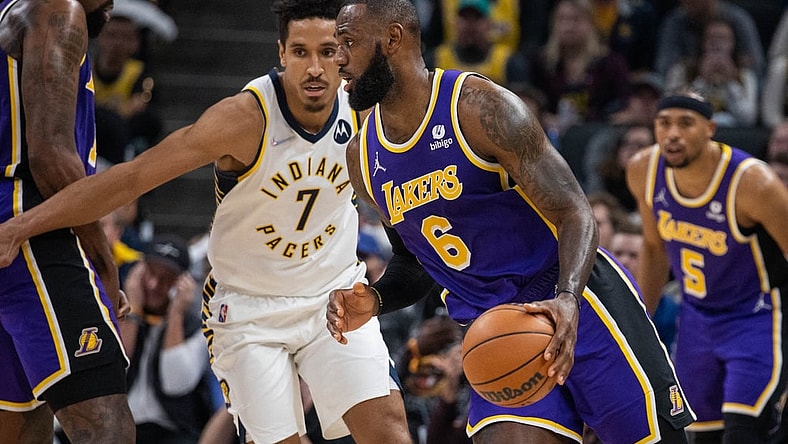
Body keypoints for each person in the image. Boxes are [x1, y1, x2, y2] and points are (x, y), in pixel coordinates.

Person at [0, 1, 416, 443]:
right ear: (280, 52)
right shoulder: (244, 117)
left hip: (330, 299)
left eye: (329, 52)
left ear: (345, 53)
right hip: (249, 310)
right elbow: (131, 178)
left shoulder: (366, 114)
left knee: (389, 429)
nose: (315, 68)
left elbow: (409, 234)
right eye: (300, 52)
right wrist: (21, 227)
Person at [327, 1, 695, 442]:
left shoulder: (480, 109)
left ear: (392, 39)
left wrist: (567, 299)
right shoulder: (363, 158)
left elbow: (575, 212)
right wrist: (377, 299)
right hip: (496, 328)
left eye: (348, 43)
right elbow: (415, 259)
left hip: (577, 300)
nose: (339, 59)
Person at [0, 0, 135, 443]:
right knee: (105, 424)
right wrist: (104, 255)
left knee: (20, 426)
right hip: (35, 234)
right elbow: (51, 156)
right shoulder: (59, 8)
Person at [626, 89, 788, 443]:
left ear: (710, 129)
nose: (672, 134)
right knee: (700, 435)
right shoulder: (643, 169)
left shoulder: (753, 183)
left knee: (745, 432)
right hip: (697, 319)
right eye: (663, 123)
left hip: (755, 316)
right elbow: (654, 249)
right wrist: (641, 324)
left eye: (686, 124)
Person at [121, 235, 215, 444]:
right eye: (150, 273)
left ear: (182, 282)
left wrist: (176, 314)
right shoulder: (122, 318)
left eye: (166, 278)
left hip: (172, 433)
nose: (154, 284)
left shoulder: (196, 328)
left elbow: (175, 383)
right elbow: (118, 367)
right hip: (120, 428)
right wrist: (133, 312)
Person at [664, 16, 758, 128]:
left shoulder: (745, 75)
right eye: (712, 38)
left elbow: (748, 119)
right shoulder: (681, 71)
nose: (717, 45)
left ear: (734, 43)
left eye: (723, 39)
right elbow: (674, 111)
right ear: (702, 42)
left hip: (733, 133)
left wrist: (731, 83)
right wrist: (701, 81)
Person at [425, 0, 527, 87]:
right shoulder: (436, 59)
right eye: (465, 18)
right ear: (455, 23)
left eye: (477, 18)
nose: (470, 25)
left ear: (489, 24)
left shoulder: (509, 62)